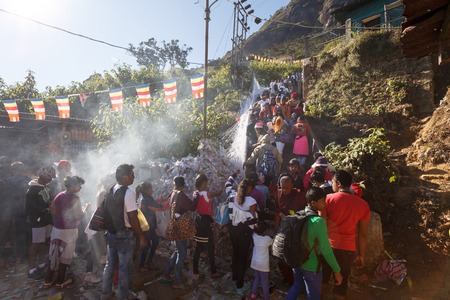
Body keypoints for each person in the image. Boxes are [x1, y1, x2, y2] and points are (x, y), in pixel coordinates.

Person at [320, 170, 371, 300]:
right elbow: (363, 234)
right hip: (348, 249)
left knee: (322, 280)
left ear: (338, 183)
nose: (332, 185)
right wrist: (361, 255)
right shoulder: (363, 205)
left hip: (328, 246)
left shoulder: (328, 199)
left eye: (332, 182)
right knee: (341, 285)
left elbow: (321, 224)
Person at [287, 187, 343, 300]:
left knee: (297, 286)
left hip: (296, 261)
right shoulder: (318, 221)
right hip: (311, 266)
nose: (325, 203)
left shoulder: (299, 215)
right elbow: (326, 250)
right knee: (314, 296)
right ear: (313, 203)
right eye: (322, 201)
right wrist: (337, 271)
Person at [101, 164, 147, 300]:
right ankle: (123, 296)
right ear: (125, 177)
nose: (134, 177)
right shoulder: (129, 192)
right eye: (132, 175)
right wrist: (141, 235)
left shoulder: (112, 189)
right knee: (123, 268)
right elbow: (133, 217)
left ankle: (105, 293)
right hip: (124, 235)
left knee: (110, 265)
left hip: (111, 233)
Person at [44, 176, 90, 288]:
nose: (80, 188)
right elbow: (79, 215)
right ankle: (60, 282)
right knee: (66, 257)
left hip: (57, 229)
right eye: (79, 185)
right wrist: (86, 209)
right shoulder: (75, 199)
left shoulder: (59, 195)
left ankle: (47, 282)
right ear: (73, 186)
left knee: (54, 254)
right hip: (69, 231)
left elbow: (53, 211)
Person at [160, 176, 198, 289]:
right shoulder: (181, 195)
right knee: (182, 255)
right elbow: (192, 207)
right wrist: (196, 196)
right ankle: (177, 280)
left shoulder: (173, 194)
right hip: (181, 227)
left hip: (175, 225)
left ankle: (165, 275)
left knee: (177, 251)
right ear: (183, 184)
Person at [228, 178, 258, 295]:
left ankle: (235, 277)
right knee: (242, 258)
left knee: (236, 254)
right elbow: (253, 220)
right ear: (248, 189)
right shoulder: (251, 201)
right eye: (251, 188)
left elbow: (230, 216)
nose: (252, 190)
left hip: (233, 231)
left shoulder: (232, 197)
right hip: (244, 233)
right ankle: (240, 286)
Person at [25, 166, 55, 280]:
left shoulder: (46, 187)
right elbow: (30, 208)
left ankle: (42, 264)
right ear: (42, 176)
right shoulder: (32, 190)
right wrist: (47, 207)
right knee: (35, 244)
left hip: (46, 219)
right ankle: (32, 270)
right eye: (49, 177)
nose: (51, 180)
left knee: (44, 242)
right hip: (37, 221)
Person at [192, 174, 222, 280]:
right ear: (204, 183)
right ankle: (213, 271)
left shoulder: (195, 194)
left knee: (199, 247)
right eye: (207, 182)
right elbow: (218, 193)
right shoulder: (207, 194)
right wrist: (222, 185)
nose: (208, 184)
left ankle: (195, 271)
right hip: (205, 221)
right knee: (210, 247)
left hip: (198, 221)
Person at [136, 181, 167, 272]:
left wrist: (162, 200)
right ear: (146, 190)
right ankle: (142, 265)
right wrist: (168, 203)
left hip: (149, 225)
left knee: (155, 242)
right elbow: (160, 207)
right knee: (147, 245)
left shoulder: (146, 198)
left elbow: (155, 202)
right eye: (151, 188)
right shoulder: (146, 200)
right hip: (147, 226)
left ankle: (148, 262)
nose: (152, 190)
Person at [250, 220, 273, 300]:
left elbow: (254, 232)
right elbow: (272, 242)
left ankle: (253, 294)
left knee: (257, 278)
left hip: (255, 262)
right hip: (263, 264)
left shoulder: (254, 236)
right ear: (265, 231)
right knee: (265, 282)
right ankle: (266, 298)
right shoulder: (267, 239)